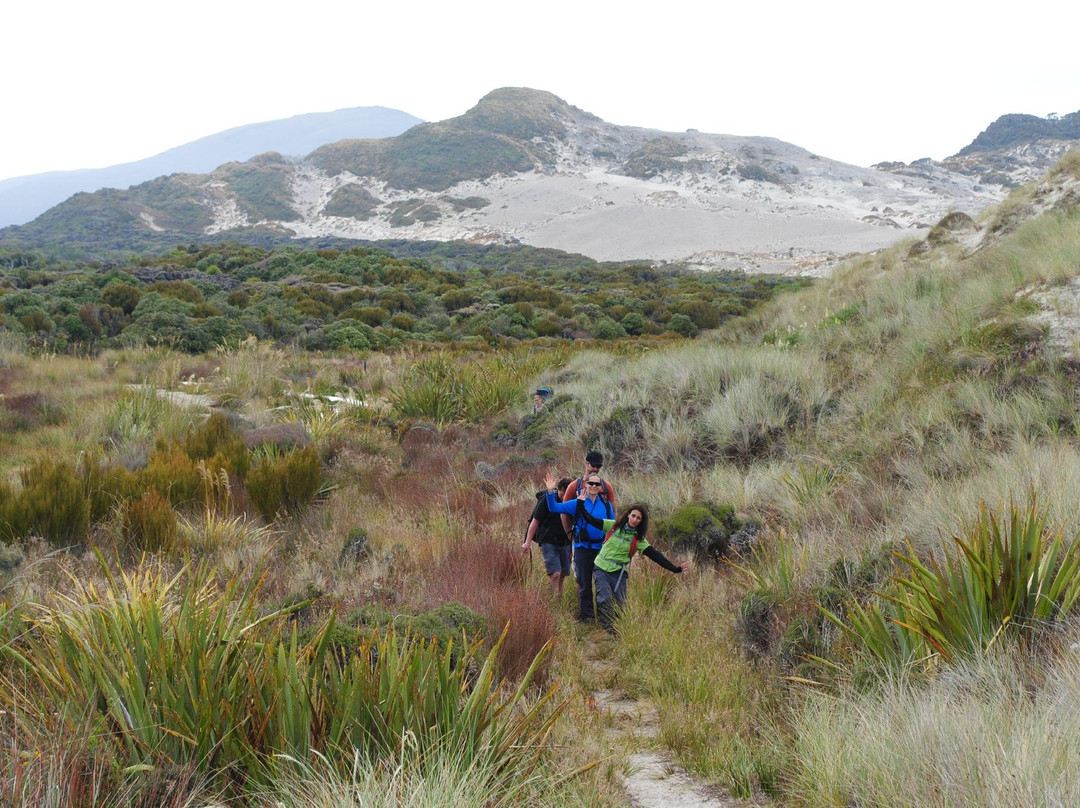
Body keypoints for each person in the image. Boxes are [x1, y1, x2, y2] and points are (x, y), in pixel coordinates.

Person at [572, 496, 689, 633]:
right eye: (633, 516)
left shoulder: (638, 540)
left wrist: (675, 569)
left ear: (641, 521)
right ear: (628, 515)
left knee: (620, 605)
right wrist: (580, 503)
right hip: (601, 568)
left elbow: (656, 556)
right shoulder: (613, 526)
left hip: (619, 573)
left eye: (638, 518)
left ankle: (617, 627)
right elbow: (590, 519)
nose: (634, 519)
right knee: (605, 598)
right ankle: (608, 631)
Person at [545, 466, 615, 622]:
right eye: (591, 483)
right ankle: (586, 618)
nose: (594, 486)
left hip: (601, 549)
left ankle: (604, 617)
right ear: (586, 485)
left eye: (597, 484)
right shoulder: (577, 503)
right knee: (584, 583)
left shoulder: (606, 505)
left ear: (601, 487)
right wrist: (550, 492)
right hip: (582, 549)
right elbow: (554, 508)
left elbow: (612, 525)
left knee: (602, 584)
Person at [522, 476, 573, 597]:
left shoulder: (573, 501)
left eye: (567, 495)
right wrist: (527, 542)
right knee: (555, 574)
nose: (564, 498)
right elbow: (535, 521)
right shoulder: (547, 499)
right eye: (562, 494)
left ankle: (558, 601)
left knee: (562, 575)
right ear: (558, 490)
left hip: (566, 542)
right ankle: (549, 600)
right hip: (549, 540)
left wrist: (573, 547)